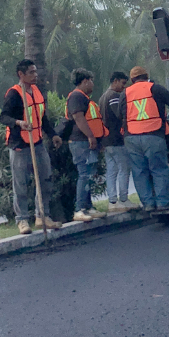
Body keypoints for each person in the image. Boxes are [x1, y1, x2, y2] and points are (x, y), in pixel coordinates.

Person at [0, 59, 63, 235]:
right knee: (20, 183)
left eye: (35, 72)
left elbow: (42, 118)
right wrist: (19, 122)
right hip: (20, 144)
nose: (35, 75)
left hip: (37, 142)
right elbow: (3, 117)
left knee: (45, 179)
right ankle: (22, 220)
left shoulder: (37, 91)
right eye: (31, 73)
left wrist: (53, 134)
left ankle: (42, 215)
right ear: (21, 74)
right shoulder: (14, 94)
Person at [123, 65, 169, 211]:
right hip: (153, 135)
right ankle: (163, 203)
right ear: (146, 76)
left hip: (131, 137)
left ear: (132, 80)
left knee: (139, 172)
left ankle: (148, 204)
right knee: (158, 169)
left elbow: (121, 115)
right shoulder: (155, 88)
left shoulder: (125, 93)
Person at [65, 68, 108, 222]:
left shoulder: (83, 97)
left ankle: (88, 207)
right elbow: (78, 118)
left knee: (89, 175)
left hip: (87, 142)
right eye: (91, 80)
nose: (92, 84)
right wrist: (91, 136)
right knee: (84, 174)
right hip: (81, 142)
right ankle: (80, 209)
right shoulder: (77, 96)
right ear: (84, 81)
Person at [97, 71, 134, 211]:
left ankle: (112, 201)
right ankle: (123, 199)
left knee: (111, 171)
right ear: (116, 81)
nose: (124, 87)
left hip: (106, 140)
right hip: (116, 139)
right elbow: (119, 115)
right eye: (123, 83)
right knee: (124, 168)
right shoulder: (114, 96)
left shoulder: (102, 97)